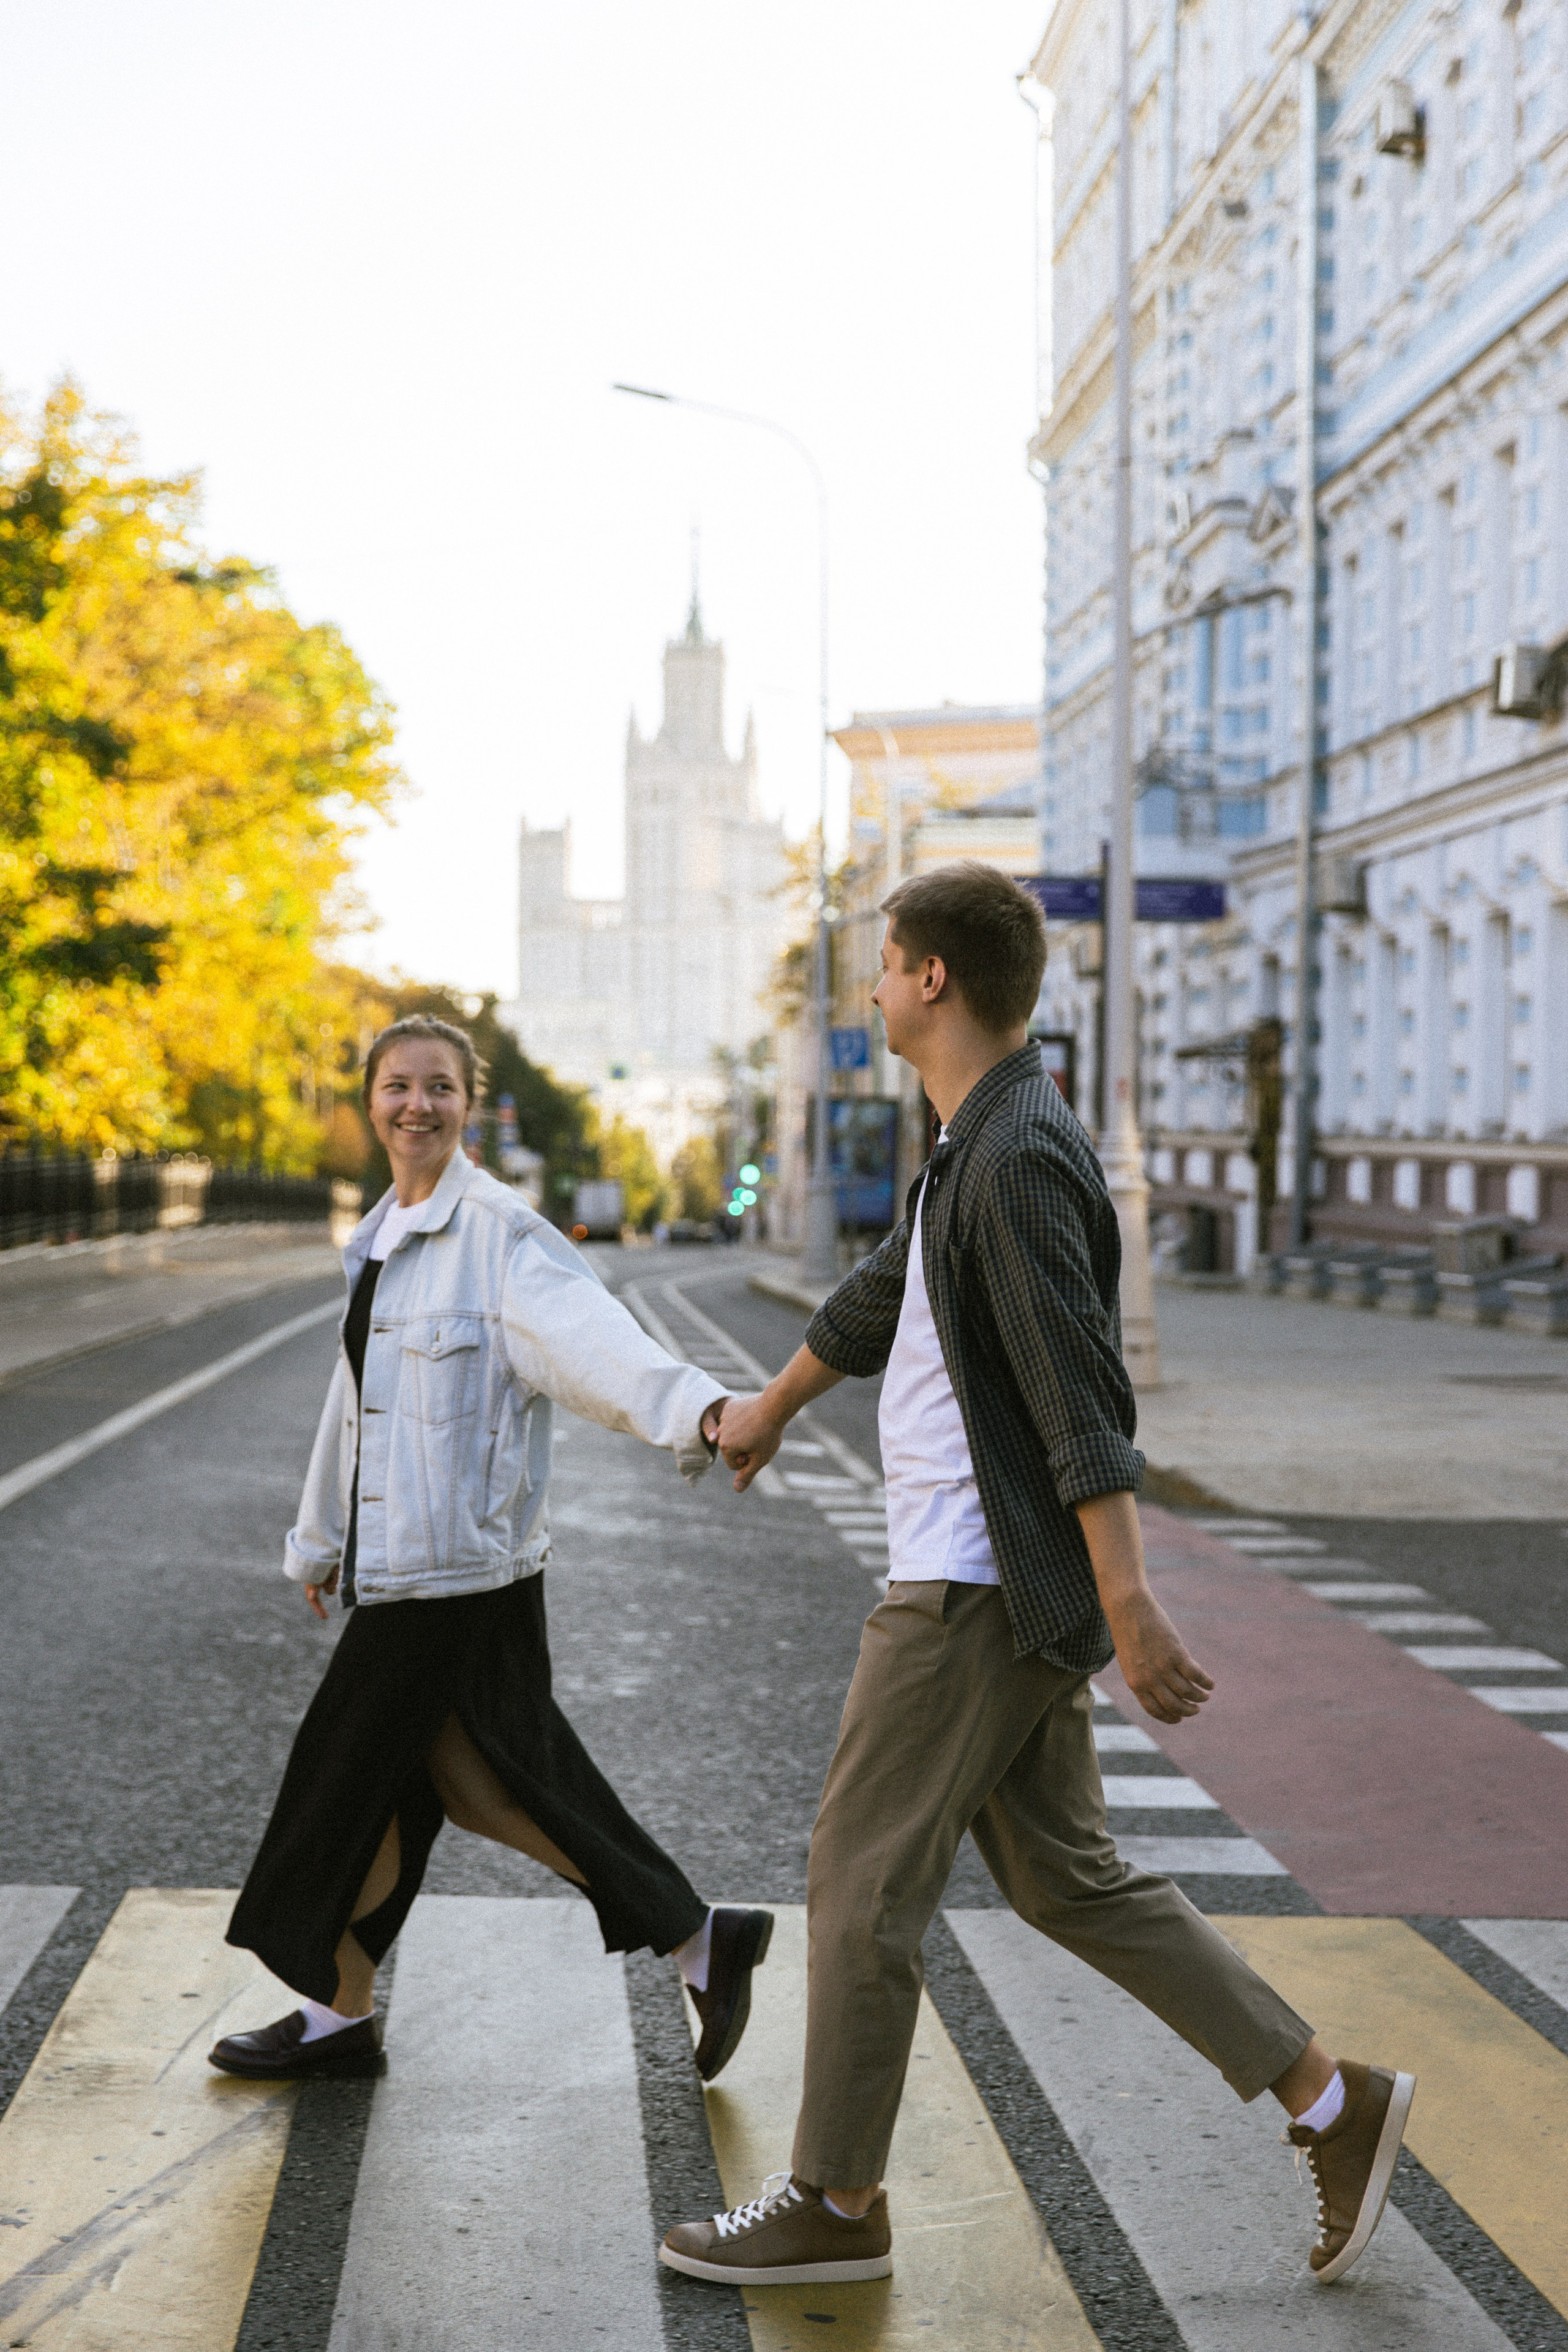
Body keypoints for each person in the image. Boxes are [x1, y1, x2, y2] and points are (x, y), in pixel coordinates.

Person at [660, 863, 1413, 2293]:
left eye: (884, 962)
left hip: (968, 1584)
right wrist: (771, 1405)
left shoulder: (1012, 1157)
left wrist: (1126, 1599)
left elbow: (1079, 1394)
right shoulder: (979, 1137)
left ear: (930, 979)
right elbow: (885, 1289)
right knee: (1071, 1882)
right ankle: (1333, 2101)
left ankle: (835, 2197)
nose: (871, 986)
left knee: (858, 1877)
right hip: (990, 1574)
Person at [213, 1016, 771, 2086]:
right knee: (454, 1784)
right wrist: (321, 1542)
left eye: (439, 1087)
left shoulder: (504, 1237)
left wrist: (703, 1412)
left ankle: (690, 1933)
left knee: (352, 1784)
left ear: (471, 1106)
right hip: (412, 1570)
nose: (416, 1105)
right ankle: (346, 2015)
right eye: (397, 1085)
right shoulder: (383, 1238)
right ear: (370, 1101)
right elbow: (354, 1406)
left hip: (456, 1576)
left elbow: (598, 1348)